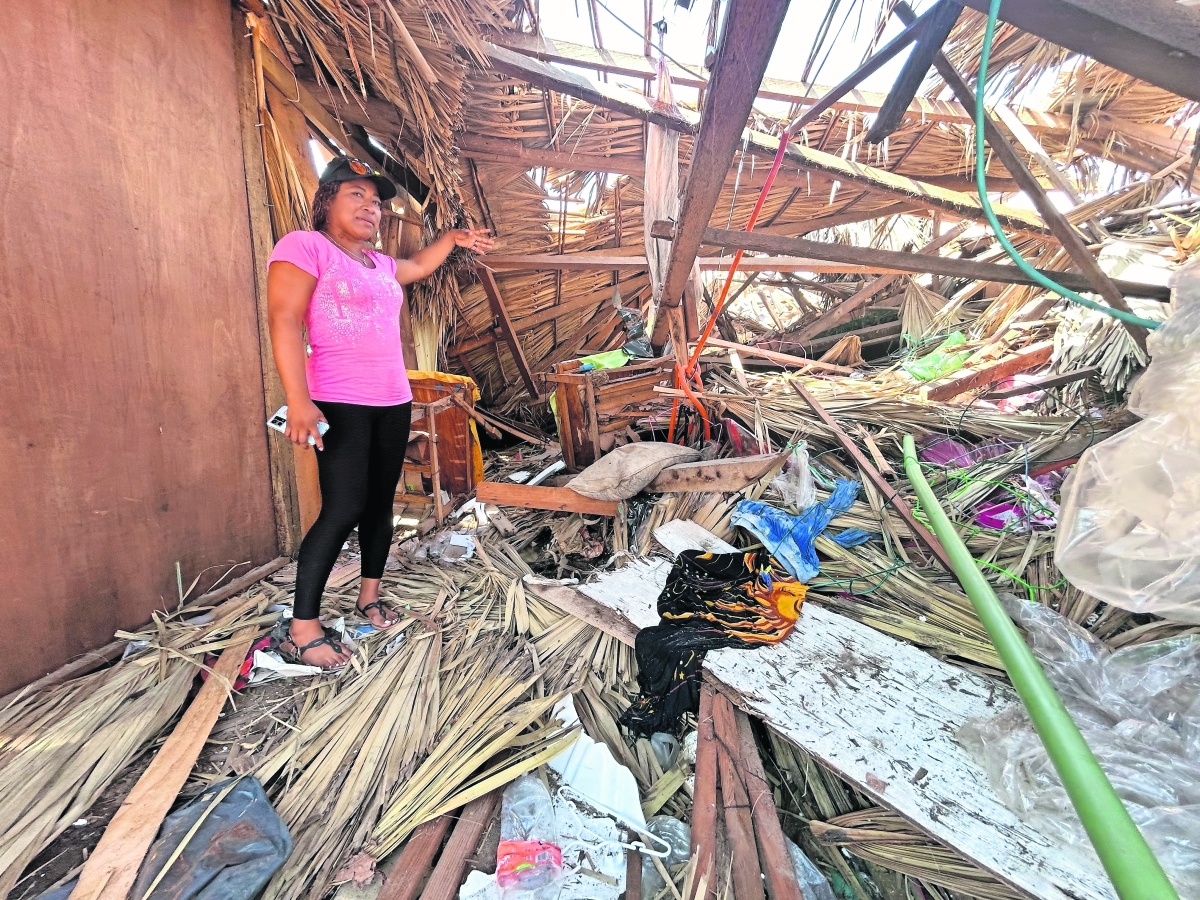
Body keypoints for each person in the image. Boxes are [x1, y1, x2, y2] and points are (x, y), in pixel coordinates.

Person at [266, 156, 492, 669]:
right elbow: (283, 320)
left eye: (376, 202)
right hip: (339, 399)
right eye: (356, 196)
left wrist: (453, 240)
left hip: (392, 400)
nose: (371, 208)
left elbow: (417, 266)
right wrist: (299, 400)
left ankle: (369, 596)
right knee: (343, 507)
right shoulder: (304, 247)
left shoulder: (382, 264)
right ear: (327, 201)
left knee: (379, 506)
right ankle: (303, 629)